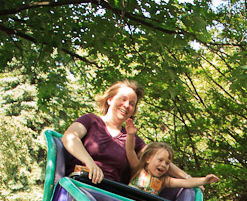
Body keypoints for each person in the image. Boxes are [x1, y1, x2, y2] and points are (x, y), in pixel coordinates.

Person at [61, 80, 189, 185]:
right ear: (110, 99)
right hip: (81, 185)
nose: (126, 105)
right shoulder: (90, 120)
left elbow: (159, 159)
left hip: (110, 192)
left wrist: (187, 177)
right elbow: (70, 137)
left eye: (132, 104)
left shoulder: (132, 139)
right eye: (123, 99)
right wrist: (90, 162)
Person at [133, 142, 220, 192]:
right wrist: (130, 135)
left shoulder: (163, 181)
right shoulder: (138, 169)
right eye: (160, 160)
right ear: (148, 158)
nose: (163, 165)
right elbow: (129, 150)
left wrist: (204, 180)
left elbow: (186, 183)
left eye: (167, 163)